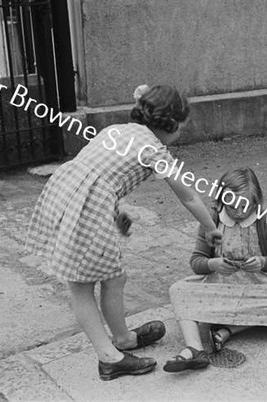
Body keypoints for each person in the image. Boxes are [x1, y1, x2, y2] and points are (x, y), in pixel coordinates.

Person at [25, 84, 222, 381]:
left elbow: (96, 173)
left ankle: (124, 339)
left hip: (68, 192)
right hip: (88, 206)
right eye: (181, 128)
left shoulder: (118, 130)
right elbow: (189, 197)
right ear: (168, 125)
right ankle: (110, 358)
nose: (180, 135)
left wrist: (114, 214)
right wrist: (210, 227)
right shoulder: (155, 150)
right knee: (80, 285)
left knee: (114, 276)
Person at [163, 167, 267, 372]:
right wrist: (213, 264)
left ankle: (226, 329)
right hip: (219, 283)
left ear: (256, 202)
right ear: (221, 200)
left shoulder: (265, 220)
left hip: (257, 284)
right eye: (232, 206)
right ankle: (193, 347)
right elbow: (196, 262)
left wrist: (263, 262)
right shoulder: (211, 221)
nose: (238, 212)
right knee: (177, 290)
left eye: (245, 206)